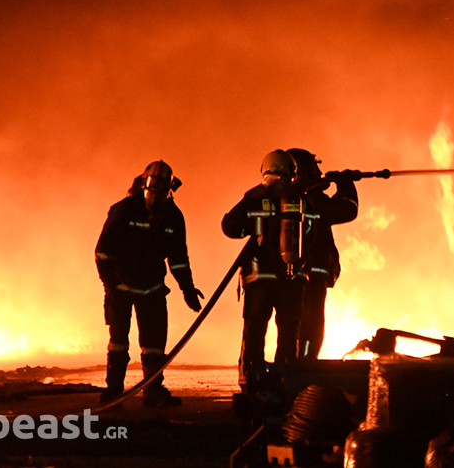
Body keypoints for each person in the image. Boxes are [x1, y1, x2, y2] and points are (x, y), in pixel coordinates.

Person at [95, 160, 204, 406]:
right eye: (152, 191)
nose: (155, 198)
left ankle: (153, 391)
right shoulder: (124, 210)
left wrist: (187, 288)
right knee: (118, 341)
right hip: (121, 287)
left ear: (169, 192)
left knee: (154, 344)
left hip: (153, 287)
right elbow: (102, 252)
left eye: (161, 193)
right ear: (144, 187)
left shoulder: (173, 217)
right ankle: (114, 392)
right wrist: (110, 285)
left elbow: (178, 259)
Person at [221, 150, 308, 392]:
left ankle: (253, 380)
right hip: (292, 278)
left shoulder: (254, 198)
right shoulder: (300, 198)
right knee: (289, 330)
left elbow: (229, 227)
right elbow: (314, 232)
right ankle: (286, 381)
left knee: (255, 328)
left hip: (259, 278)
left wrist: (251, 228)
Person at [286, 148, 359, 360]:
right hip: (312, 272)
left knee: (294, 322)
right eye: (314, 168)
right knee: (311, 322)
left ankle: (293, 362)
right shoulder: (311, 200)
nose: (319, 173)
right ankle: (305, 364)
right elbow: (347, 209)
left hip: (290, 273)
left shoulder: (286, 197)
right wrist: (345, 183)